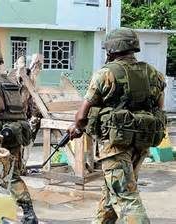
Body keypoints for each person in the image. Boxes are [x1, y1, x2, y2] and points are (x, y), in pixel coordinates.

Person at [68, 28, 166, 223]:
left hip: (115, 147)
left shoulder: (105, 74)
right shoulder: (154, 74)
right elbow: (159, 109)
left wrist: (77, 128)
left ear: (111, 50)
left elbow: (81, 115)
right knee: (111, 195)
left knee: (125, 198)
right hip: (141, 144)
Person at [0, 47, 38, 224]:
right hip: (16, 131)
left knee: (6, 175)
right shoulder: (9, 80)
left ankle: (27, 213)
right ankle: (8, 208)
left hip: (1, 133)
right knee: (9, 172)